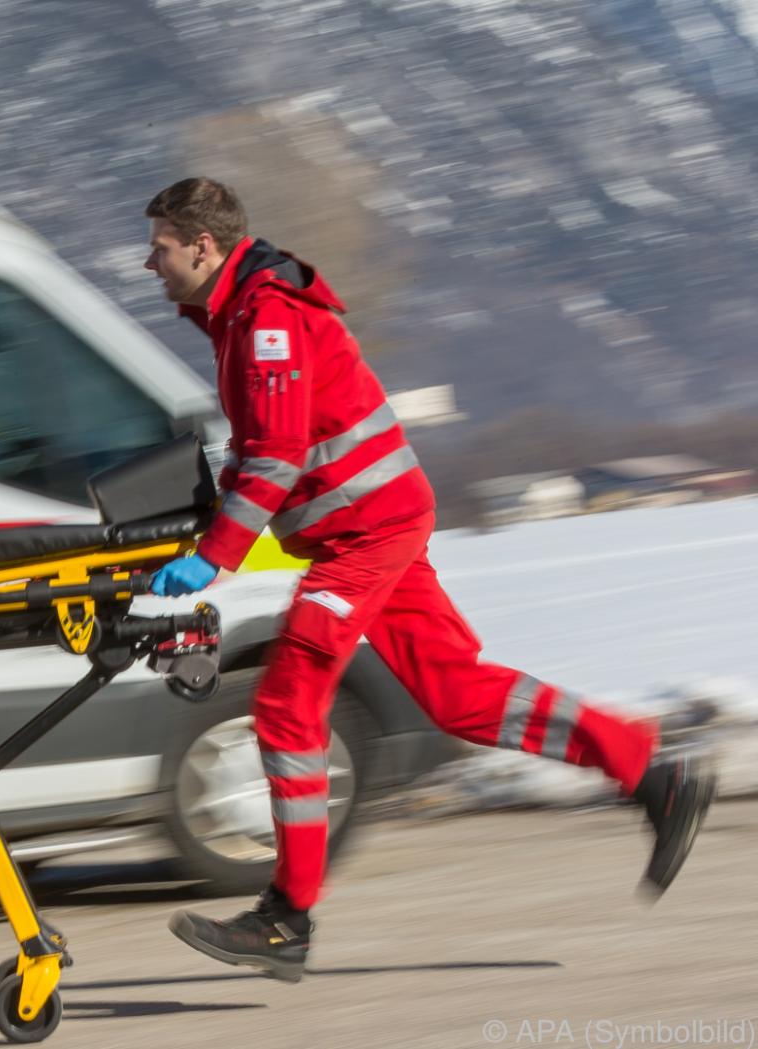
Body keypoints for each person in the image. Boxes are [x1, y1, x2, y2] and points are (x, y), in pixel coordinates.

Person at [140, 178, 713, 983]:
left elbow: (276, 454)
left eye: (160, 245)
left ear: (203, 246)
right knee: (456, 694)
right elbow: (262, 448)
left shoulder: (268, 317)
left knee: (287, 700)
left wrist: (215, 557)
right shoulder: (239, 314)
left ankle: (287, 918)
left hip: (365, 534)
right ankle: (653, 772)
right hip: (372, 524)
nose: (149, 261)